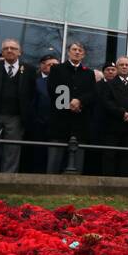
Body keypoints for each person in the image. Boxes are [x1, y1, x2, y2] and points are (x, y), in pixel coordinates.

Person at [0, 39, 35, 174]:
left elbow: (32, 93)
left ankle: (8, 179)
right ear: (2, 52)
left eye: (13, 48)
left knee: (12, 150)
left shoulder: (29, 70)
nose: (9, 50)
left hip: (16, 116)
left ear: (19, 52)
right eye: (6, 48)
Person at [46, 42, 96, 174]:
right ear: (69, 52)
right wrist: (68, 103)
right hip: (60, 120)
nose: (77, 52)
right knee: (54, 160)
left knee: (78, 160)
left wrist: (80, 101)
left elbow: (92, 93)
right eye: (74, 49)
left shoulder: (89, 73)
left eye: (80, 50)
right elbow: (53, 89)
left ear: (83, 54)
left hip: (80, 121)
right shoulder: (57, 69)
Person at [97, 56, 128, 177]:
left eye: (127, 65)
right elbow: (107, 102)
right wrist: (123, 113)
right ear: (117, 67)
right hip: (113, 127)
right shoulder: (109, 84)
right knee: (110, 156)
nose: (124, 67)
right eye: (122, 65)